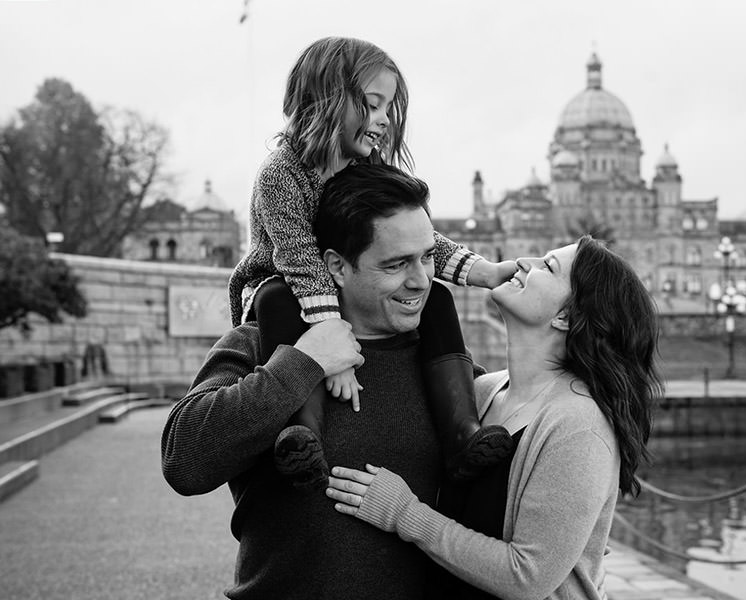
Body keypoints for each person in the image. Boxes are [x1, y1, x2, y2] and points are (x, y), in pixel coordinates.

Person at [162, 164, 481, 599]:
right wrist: (304, 362)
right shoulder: (263, 343)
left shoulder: (443, 364)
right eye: (396, 264)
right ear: (336, 266)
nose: (421, 280)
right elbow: (184, 461)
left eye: (427, 257)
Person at [226, 36, 515, 485]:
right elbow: (299, 258)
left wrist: (484, 272)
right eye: (372, 105)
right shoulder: (281, 174)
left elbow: (414, 239)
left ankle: (462, 433)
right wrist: (333, 354)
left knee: (436, 297)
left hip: (341, 294)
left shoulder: (364, 168)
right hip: (285, 292)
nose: (382, 121)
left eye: (388, 109)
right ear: (325, 101)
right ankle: (301, 434)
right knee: (278, 299)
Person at [326, 236, 663, 600]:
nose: (522, 262)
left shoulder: (578, 424)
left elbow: (527, 577)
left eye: (547, 267)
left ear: (565, 316)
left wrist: (405, 513)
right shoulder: (482, 392)